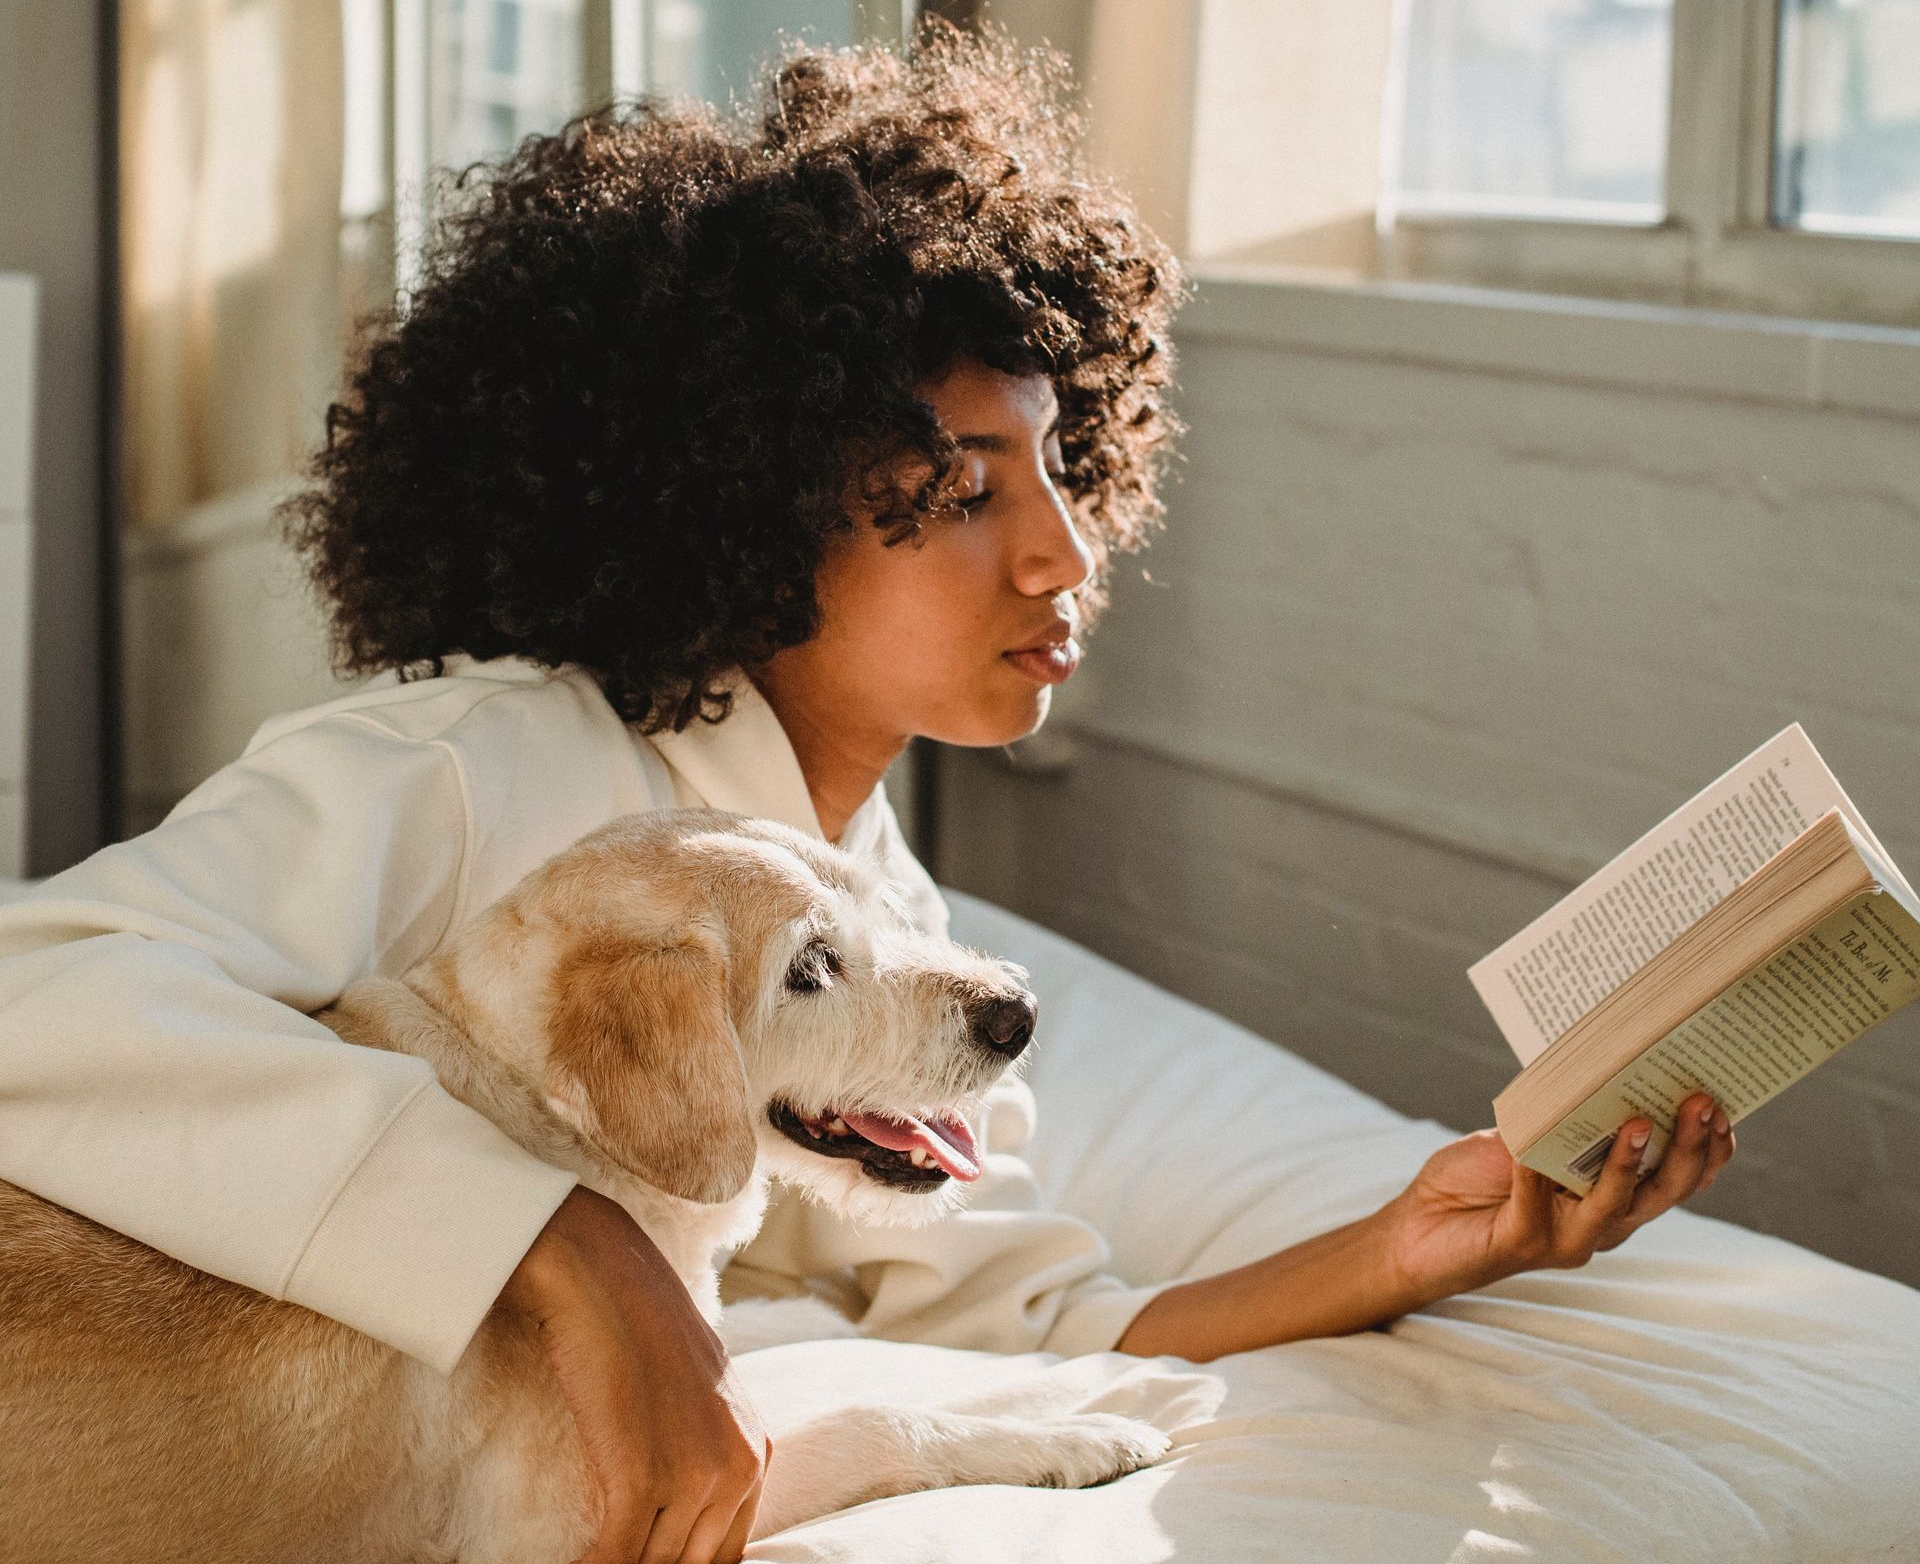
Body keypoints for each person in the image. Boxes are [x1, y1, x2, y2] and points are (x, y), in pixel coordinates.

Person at [0, 22, 1736, 1564]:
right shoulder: (472, 768)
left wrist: (1412, 1253)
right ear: (744, 505)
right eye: (962, 485)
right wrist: (555, 1246)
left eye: (1063, 463)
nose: (1065, 547)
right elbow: (40, 994)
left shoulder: (879, 909)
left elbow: (1032, 1319)